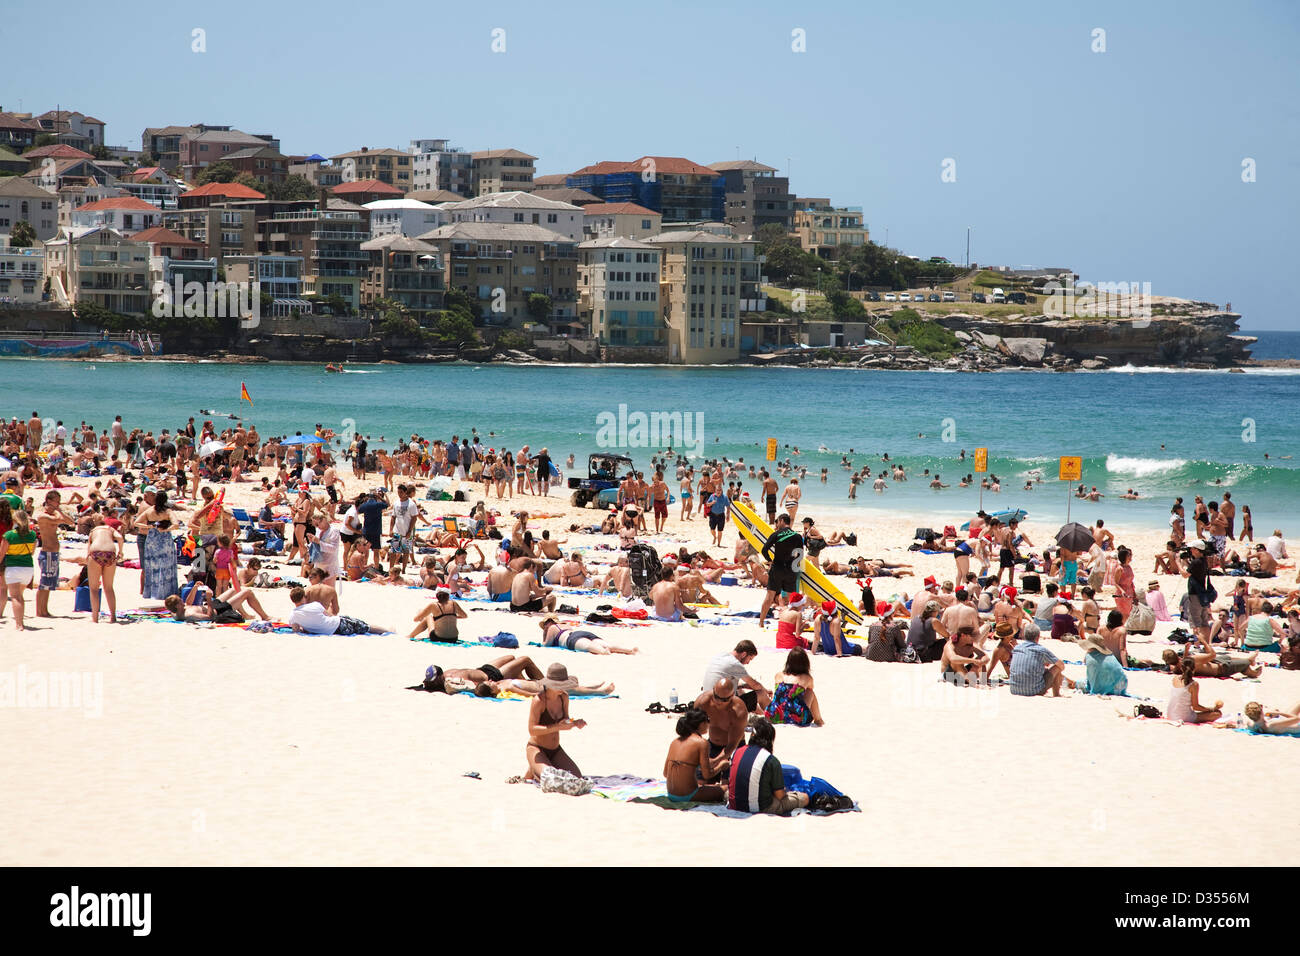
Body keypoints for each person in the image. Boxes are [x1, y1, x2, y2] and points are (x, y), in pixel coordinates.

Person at [727, 717, 809, 816]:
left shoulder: (736, 752)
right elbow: (780, 795)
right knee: (804, 798)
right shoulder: (770, 760)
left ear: (752, 735)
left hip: (734, 804)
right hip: (760, 808)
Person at [524, 664, 586, 780]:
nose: (562, 689)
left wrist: (575, 723)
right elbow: (532, 730)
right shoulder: (539, 701)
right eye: (559, 686)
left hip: (555, 749)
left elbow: (566, 720)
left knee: (577, 778)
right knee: (551, 779)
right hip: (537, 749)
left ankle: (536, 768)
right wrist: (557, 727)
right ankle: (535, 767)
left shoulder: (564, 698)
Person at [664, 709, 727, 803]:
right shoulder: (702, 743)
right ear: (701, 724)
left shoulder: (675, 741)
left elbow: (665, 773)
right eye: (708, 720)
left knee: (710, 787)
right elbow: (706, 775)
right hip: (688, 795)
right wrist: (721, 766)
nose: (709, 724)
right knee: (725, 788)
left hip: (671, 795)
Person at [693, 678, 749, 775]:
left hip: (735, 748)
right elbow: (692, 730)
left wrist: (715, 761)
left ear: (732, 695)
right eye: (716, 697)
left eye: (724, 700)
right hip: (712, 745)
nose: (718, 701)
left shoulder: (739, 711)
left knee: (730, 783)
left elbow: (732, 744)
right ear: (714, 689)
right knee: (700, 779)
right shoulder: (703, 702)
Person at [758, 513, 804, 627]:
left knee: (769, 597)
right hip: (790, 570)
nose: (777, 524)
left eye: (778, 522)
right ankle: (795, 624)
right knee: (792, 599)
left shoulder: (776, 534)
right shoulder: (797, 536)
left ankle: (761, 622)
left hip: (777, 568)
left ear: (782, 521)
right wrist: (795, 566)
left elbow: (764, 549)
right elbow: (800, 554)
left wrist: (769, 560)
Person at [701, 641, 771, 711]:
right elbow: (756, 685)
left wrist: (744, 686)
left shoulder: (721, 656)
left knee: (739, 690)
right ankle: (775, 717)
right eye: (749, 659)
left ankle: (761, 713)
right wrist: (766, 690)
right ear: (744, 654)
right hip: (722, 708)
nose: (748, 663)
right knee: (761, 694)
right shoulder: (735, 664)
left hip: (707, 702)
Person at [287, 586, 385, 635]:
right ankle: (388, 631)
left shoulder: (292, 616)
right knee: (366, 626)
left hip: (333, 631)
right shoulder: (315, 605)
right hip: (338, 624)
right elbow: (330, 616)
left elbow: (296, 631)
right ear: (304, 597)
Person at [765, 648, 825, 726]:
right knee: (810, 692)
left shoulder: (778, 675)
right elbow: (810, 689)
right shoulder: (807, 678)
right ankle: (818, 720)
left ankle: (818, 719)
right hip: (796, 717)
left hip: (773, 715)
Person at [1009, 623, 1073, 697]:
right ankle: (1057, 694)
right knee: (1057, 668)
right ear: (1038, 637)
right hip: (1034, 691)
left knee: (1041, 670)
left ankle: (1070, 682)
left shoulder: (1017, 648)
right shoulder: (1041, 650)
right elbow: (1061, 665)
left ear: (1024, 635)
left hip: (1014, 689)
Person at [83, 514, 125, 624]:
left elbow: (89, 547)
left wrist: (88, 557)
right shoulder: (110, 529)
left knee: (94, 588)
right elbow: (120, 538)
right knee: (109, 587)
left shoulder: (93, 531)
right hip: (110, 553)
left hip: (96, 553)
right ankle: (113, 617)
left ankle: (95, 618)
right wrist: (120, 551)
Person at [0, 509, 37, 630]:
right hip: (28, 568)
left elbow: (2, 554)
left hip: (13, 568)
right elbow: (32, 552)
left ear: (15, 520)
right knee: (20, 596)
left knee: (15, 597)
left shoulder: (9, 535)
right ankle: (21, 622)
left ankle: (19, 624)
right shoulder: (32, 535)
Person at [1167, 656, 1223, 724]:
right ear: (1194, 669)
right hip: (1183, 717)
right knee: (1217, 714)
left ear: (1181, 668)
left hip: (1170, 715)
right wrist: (1211, 709)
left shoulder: (1175, 678)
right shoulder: (1194, 685)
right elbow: (1195, 707)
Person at [539, 617, 638, 654]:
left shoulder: (552, 628)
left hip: (571, 639)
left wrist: (545, 633)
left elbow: (546, 645)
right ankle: (629, 650)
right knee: (606, 644)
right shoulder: (565, 624)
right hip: (581, 633)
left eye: (545, 625)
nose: (544, 627)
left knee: (589, 646)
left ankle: (603, 652)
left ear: (549, 622)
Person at [1181, 541, 1215, 644]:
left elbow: (1185, 574)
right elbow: (1192, 570)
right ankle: (1207, 644)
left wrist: (1178, 563)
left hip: (1195, 594)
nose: (1190, 550)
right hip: (1202, 594)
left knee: (1195, 622)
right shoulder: (1202, 560)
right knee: (1204, 622)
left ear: (1196, 549)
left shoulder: (1196, 562)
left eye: (1192, 549)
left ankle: (1197, 644)